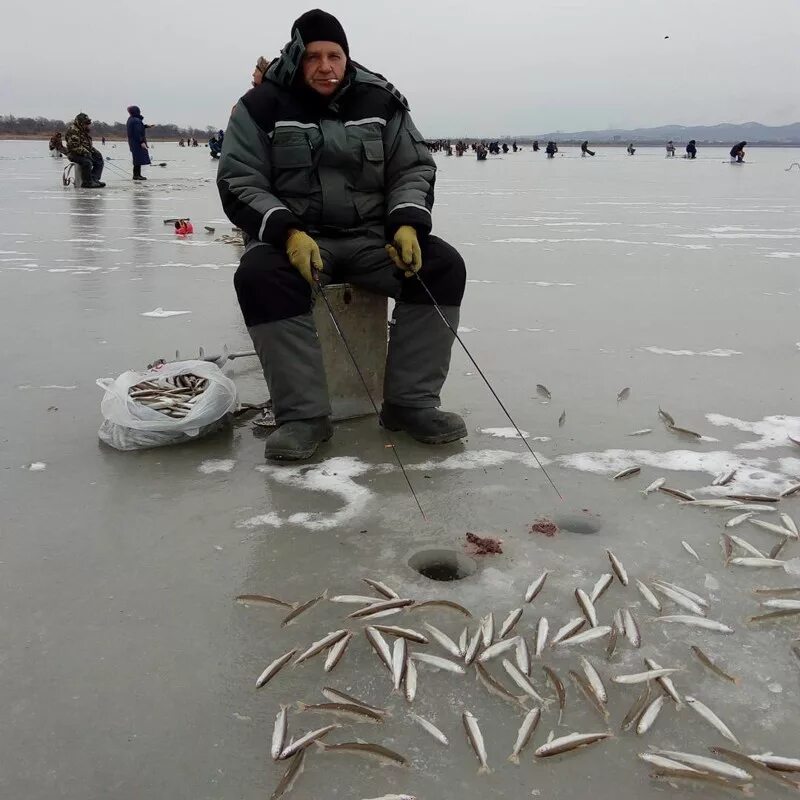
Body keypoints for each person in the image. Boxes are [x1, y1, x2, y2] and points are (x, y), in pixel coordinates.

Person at [218, 9, 467, 461]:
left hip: (372, 238)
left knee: (442, 266)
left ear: (347, 57)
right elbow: (239, 179)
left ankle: (411, 405)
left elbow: (412, 167)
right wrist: (287, 231)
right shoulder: (261, 106)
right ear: (296, 57)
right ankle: (303, 418)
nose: (326, 66)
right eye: (314, 56)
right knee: (259, 276)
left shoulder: (381, 99)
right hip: (298, 240)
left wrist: (407, 222)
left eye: (335, 55)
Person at [64, 113, 105, 188]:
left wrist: (94, 151)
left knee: (98, 159)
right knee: (87, 162)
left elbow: (87, 145)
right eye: (85, 123)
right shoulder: (73, 131)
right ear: (80, 122)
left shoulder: (83, 130)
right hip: (73, 154)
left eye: (88, 123)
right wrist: (85, 152)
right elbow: (74, 147)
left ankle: (94, 179)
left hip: (83, 153)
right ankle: (87, 182)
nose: (87, 125)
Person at [126, 105, 151, 181]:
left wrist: (145, 126)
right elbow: (137, 132)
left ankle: (137, 174)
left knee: (137, 158)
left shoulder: (131, 119)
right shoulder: (136, 120)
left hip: (133, 142)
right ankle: (136, 175)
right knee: (138, 159)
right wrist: (142, 142)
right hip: (137, 142)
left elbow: (138, 128)